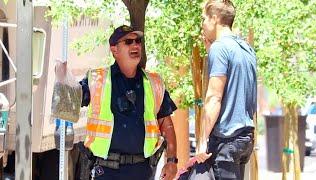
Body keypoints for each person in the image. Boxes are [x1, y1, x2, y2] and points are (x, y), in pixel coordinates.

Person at [57, 25, 178, 180]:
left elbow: (166, 124)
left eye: (138, 41)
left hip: (142, 170)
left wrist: (172, 160)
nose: (135, 45)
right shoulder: (97, 80)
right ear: (114, 50)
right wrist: (62, 81)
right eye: (128, 41)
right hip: (107, 171)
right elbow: (68, 105)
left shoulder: (154, 82)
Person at [194, 0, 257, 180]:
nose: (202, 24)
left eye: (204, 19)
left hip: (226, 140)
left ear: (214, 18)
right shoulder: (246, 49)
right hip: (244, 139)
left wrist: (202, 139)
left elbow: (214, 97)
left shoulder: (220, 48)